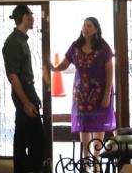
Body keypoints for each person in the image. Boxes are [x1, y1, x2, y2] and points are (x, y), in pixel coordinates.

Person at [49, 16, 115, 164]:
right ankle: (85, 159)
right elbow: (64, 64)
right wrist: (53, 68)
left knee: (98, 125)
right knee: (84, 125)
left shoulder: (103, 47)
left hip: (100, 93)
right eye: (84, 25)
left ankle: (96, 159)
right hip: (81, 93)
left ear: (96, 29)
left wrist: (107, 95)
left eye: (89, 26)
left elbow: (110, 72)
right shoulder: (75, 46)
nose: (85, 28)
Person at [2, 4, 45, 173]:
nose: (34, 18)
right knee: (35, 138)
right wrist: (26, 102)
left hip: (28, 90)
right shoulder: (12, 43)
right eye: (32, 15)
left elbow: (25, 75)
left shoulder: (22, 40)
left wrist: (34, 97)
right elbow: (13, 76)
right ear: (26, 17)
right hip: (22, 92)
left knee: (24, 136)